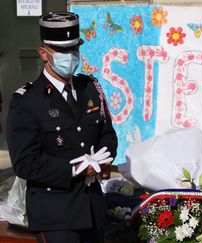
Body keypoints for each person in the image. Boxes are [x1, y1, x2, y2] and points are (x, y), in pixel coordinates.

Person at [6, 12, 118, 243]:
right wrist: (76, 169)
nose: (70, 56)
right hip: (56, 214)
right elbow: (25, 163)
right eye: (63, 51)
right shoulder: (27, 100)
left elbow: (107, 133)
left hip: (92, 208)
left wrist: (103, 158)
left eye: (74, 49)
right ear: (43, 53)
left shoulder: (91, 87)